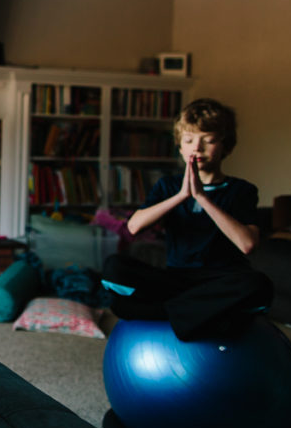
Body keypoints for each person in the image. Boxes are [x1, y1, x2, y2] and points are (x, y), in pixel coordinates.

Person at [102, 98, 273, 340]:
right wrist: (182, 196)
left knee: (258, 286)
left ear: (225, 146)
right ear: (180, 147)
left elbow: (247, 245)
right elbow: (134, 226)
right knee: (114, 268)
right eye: (189, 140)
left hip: (219, 281)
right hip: (176, 280)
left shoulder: (242, 190)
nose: (197, 148)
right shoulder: (168, 186)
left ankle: (169, 314)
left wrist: (202, 197)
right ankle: (197, 316)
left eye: (208, 140)